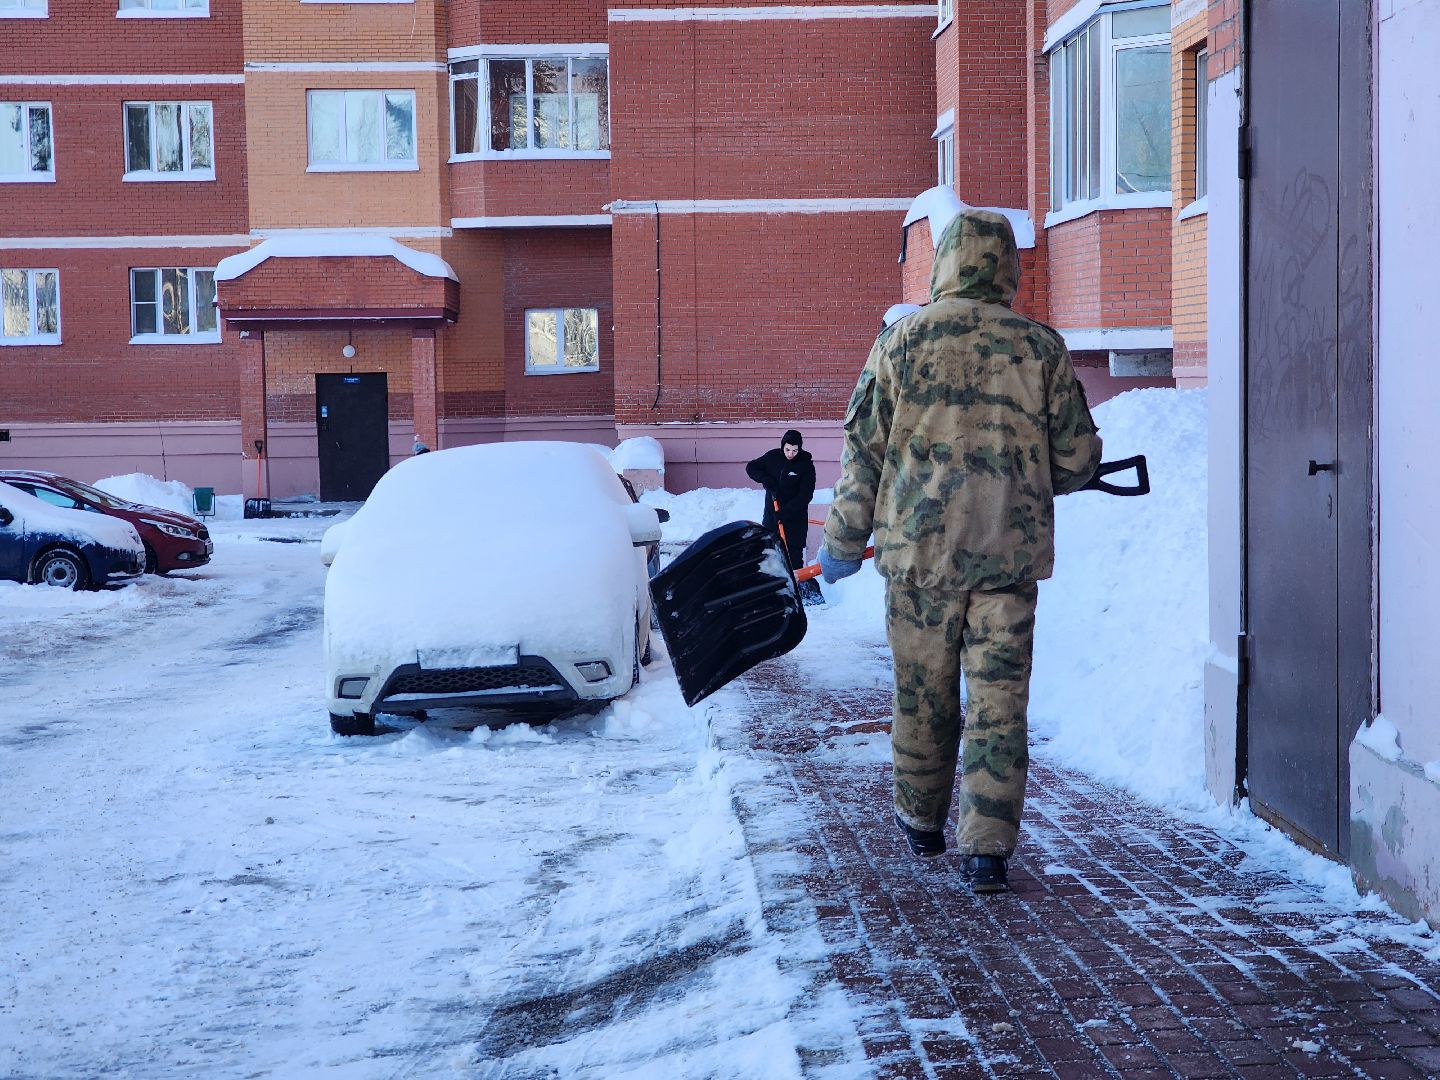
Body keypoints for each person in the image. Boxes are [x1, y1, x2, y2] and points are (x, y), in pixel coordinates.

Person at [818, 209, 1102, 895]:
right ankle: (987, 851)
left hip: (919, 562)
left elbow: (865, 456)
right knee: (999, 703)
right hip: (1007, 562)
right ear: (1008, 266)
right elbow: (1076, 459)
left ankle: (921, 820)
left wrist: (842, 542)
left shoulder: (900, 343)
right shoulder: (1040, 348)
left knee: (922, 693)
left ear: (943, 261)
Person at [745, 430, 816, 572]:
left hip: (795, 519)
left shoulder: (805, 466)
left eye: (795, 450)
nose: (791, 454)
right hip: (772, 515)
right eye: (787, 449)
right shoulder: (772, 457)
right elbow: (751, 467)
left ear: (800, 448)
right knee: (770, 552)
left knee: (793, 558)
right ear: (783, 446)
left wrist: (786, 512)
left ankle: (796, 586)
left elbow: (805, 496)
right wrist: (764, 478)